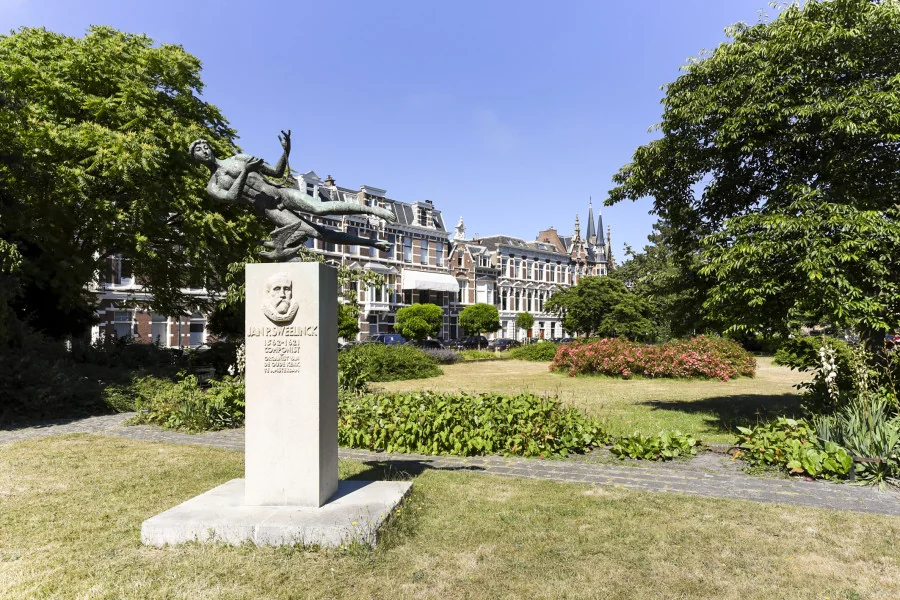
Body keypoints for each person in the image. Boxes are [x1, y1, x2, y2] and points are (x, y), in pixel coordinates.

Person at [189, 131, 395, 257]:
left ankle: (373, 210)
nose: (204, 150)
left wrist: (285, 152)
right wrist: (246, 171)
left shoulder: (239, 158)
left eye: (205, 146)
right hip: (269, 209)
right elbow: (232, 197)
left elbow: (276, 172)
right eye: (199, 150)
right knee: (316, 233)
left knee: (321, 207)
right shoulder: (213, 185)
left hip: (279, 192)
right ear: (196, 159)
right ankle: (371, 242)